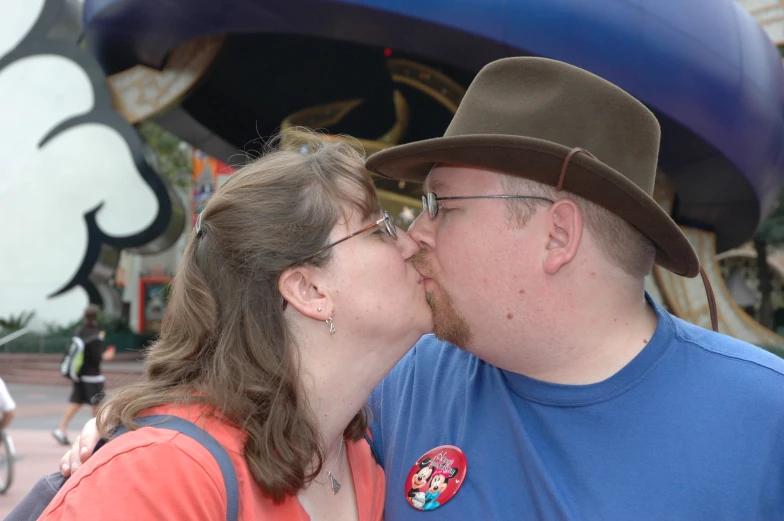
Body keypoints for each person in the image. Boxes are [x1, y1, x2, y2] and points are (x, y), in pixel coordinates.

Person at [61, 58, 784, 519]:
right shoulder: (398, 385)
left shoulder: (765, 420)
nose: (416, 234)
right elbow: (247, 398)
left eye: (443, 205)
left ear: (557, 236)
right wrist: (128, 433)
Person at [35, 134, 431, 520]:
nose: (411, 244)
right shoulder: (161, 475)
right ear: (308, 289)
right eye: (379, 228)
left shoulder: (360, 453)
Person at [51, 304, 114, 446]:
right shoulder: (96, 336)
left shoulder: (79, 331)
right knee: (98, 405)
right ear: (97, 317)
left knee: (76, 402)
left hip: (79, 375)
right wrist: (107, 355)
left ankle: (61, 429)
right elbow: (97, 358)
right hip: (93, 377)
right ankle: (98, 435)